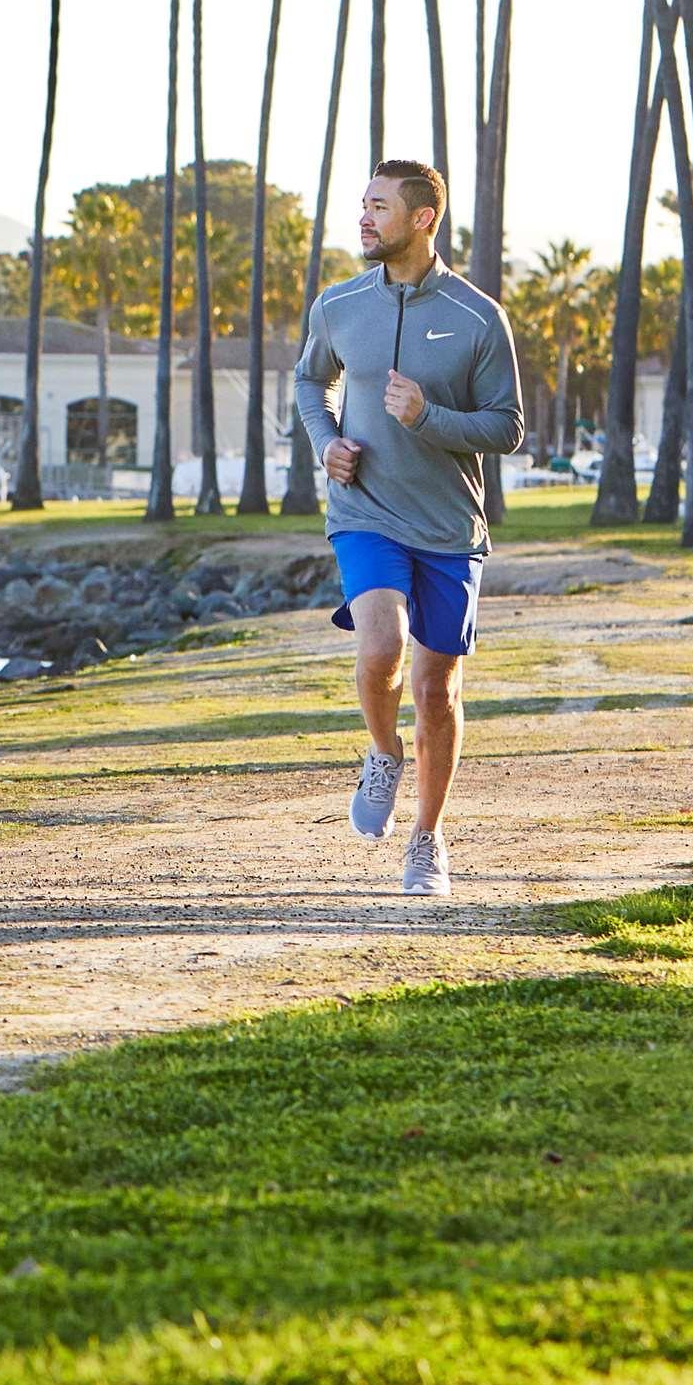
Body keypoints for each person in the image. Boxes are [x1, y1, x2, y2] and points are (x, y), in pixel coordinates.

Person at [291, 159, 524, 896]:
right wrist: (324, 441)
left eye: (379, 207)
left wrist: (430, 418)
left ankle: (427, 839)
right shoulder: (339, 305)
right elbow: (307, 379)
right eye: (362, 205)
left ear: (424, 218)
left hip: (450, 528)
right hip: (364, 512)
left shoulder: (478, 315)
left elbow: (507, 427)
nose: (364, 218)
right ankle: (382, 753)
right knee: (382, 643)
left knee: (436, 691)